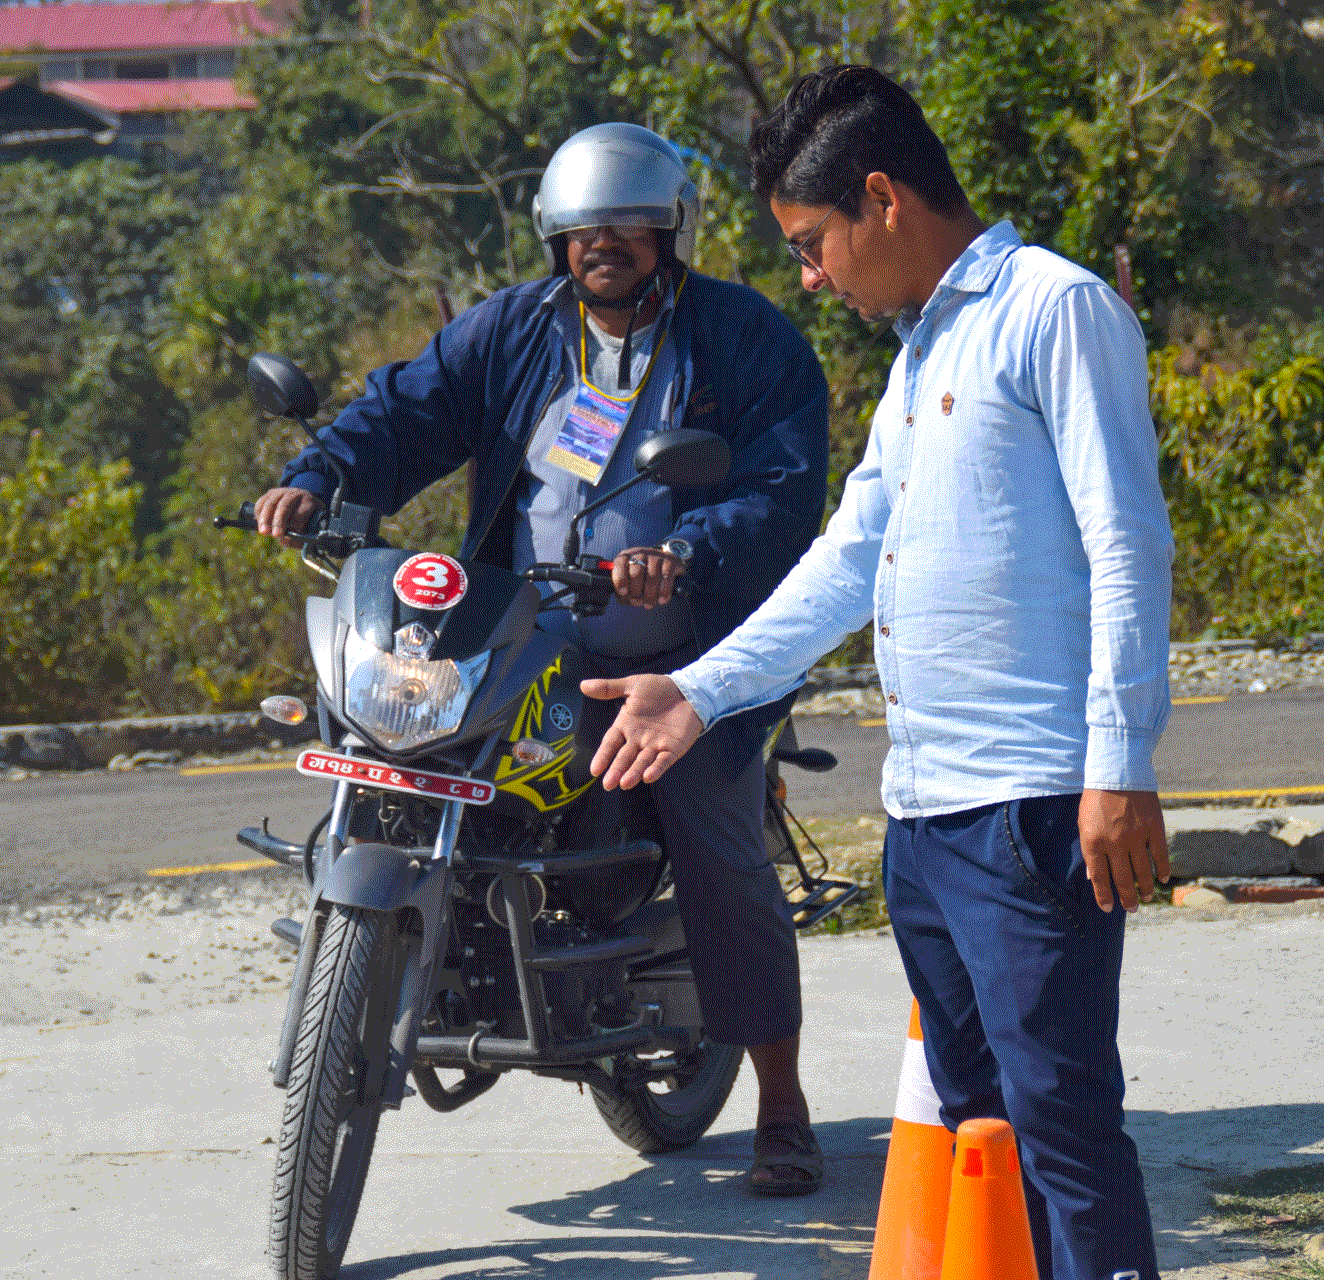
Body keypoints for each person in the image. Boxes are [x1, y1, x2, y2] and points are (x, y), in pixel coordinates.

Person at [582, 68, 1174, 1279]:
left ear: (883, 198)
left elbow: (1128, 542)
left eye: (811, 243)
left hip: (1029, 808)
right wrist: (698, 690)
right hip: (926, 818)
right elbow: (849, 560)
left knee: (1063, 1128)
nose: (809, 275)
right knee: (978, 1130)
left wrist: (1117, 767)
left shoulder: (1053, 311)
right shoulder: (919, 360)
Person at [253, 122, 834, 1194]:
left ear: (668, 230)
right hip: (530, 632)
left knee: (715, 836)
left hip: (688, 650)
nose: (601, 242)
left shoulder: (745, 339)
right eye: (580, 227)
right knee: (416, 758)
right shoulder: (517, 330)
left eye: (625, 223)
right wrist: (318, 475)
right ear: (553, 237)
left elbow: (785, 487)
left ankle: (783, 1104)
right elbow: (403, 407)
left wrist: (689, 554)